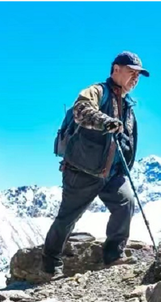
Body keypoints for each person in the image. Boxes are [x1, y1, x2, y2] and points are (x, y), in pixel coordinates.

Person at [42, 51, 149, 278]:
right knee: (68, 217)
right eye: (131, 73)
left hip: (111, 173)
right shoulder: (97, 91)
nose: (135, 79)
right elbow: (81, 110)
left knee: (125, 203)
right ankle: (50, 264)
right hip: (82, 171)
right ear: (115, 69)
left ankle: (113, 254)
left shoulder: (128, 105)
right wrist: (105, 121)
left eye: (138, 75)